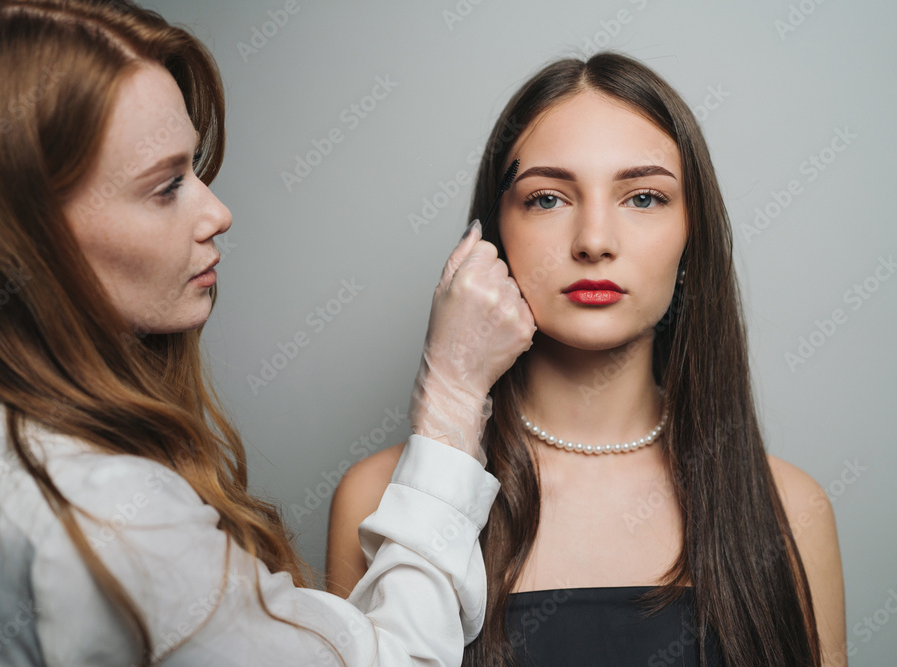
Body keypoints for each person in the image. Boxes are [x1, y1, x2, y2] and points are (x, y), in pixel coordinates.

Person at [0, 1, 535, 665]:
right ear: (18, 237)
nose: (218, 212)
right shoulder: (107, 517)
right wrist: (451, 396)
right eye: (166, 185)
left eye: (195, 170)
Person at [327, 52, 846, 666]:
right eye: (548, 199)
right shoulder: (380, 500)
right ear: (493, 234)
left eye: (644, 197)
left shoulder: (792, 509)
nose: (594, 241)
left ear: (692, 236)